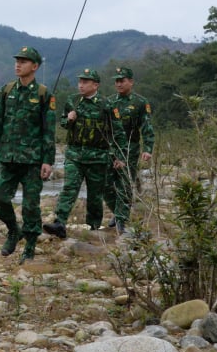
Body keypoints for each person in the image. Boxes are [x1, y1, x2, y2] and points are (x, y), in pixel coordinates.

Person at [0, 46, 57, 263]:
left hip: (33, 160)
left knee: (30, 206)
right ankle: (13, 230)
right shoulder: (6, 91)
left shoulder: (44, 94)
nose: (18, 64)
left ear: (34, 66)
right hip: (7, 157)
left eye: (24, 61)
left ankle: (31, 245)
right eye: (17, 60)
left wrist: (48, 160)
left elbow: (49, 130)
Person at [44, 68, 128, 238]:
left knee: (95, 195)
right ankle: (60, 222)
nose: (81, 85)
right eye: (80, 82)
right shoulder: (73, 101)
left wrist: (120, 156)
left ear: (95, 85)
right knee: (69, 187)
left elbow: (118, 132)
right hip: (74, 155)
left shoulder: (106, 105)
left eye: (85, 82)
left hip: (97, 156)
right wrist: (68, 119)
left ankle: (94, 227)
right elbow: (62, 123)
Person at [104, 66, 155, 233]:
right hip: (111, 148)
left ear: (130, 82)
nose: (119, 84)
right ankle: (117, 212)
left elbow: (146, 126)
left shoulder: (140, 102)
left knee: (124, 183)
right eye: (116, 81)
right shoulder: (110, 102)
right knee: (106, 183)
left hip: (130, 148)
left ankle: (121, 220)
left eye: (122, 80)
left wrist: (148, 148)